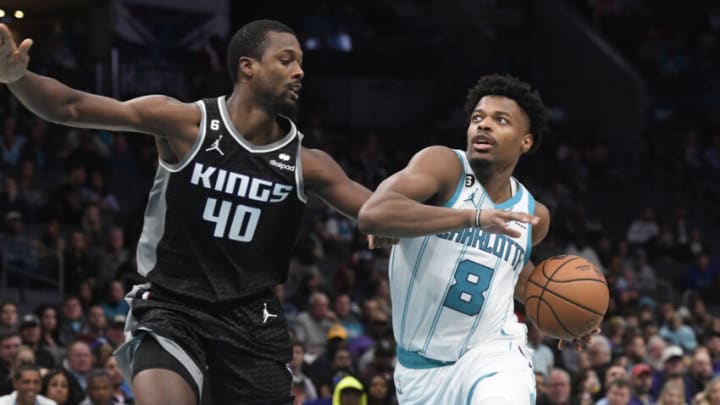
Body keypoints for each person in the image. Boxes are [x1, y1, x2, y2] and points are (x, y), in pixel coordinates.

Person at [0, 19, 390, 404]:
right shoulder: (186, 124)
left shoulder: (308, 162)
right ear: (247, 66)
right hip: (172, 306)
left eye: (301, 62)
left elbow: (376, 209)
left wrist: (383, 221)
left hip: (253, 320)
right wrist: (18, 78)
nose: (299, 71)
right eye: (286, 60)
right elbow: (71, 106)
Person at [358, 74, 594, 404]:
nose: (483, 126)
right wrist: (474, 218)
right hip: (420, 371)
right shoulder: (444, 166)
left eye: (500, 120)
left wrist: (570, 319)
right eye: (477, 118)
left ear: (525, 141)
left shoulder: (533, 214)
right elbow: (373, 213)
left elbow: (516, 279)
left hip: (493, 352)